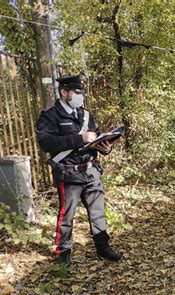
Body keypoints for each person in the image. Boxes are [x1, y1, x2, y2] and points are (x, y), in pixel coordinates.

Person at [36, 74, 122, 267]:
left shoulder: (86, 115)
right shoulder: (50, 115)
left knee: (98, 212)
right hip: (68, 173)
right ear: (64, 92)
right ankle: (64, 252)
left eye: (81, 93)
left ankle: (102, 247)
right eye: (76, 92)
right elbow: (46, 142)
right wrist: (79, 139)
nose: (79, 97)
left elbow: (97, 137)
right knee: (66, 215)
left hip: (91, 171)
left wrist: (106, 147)